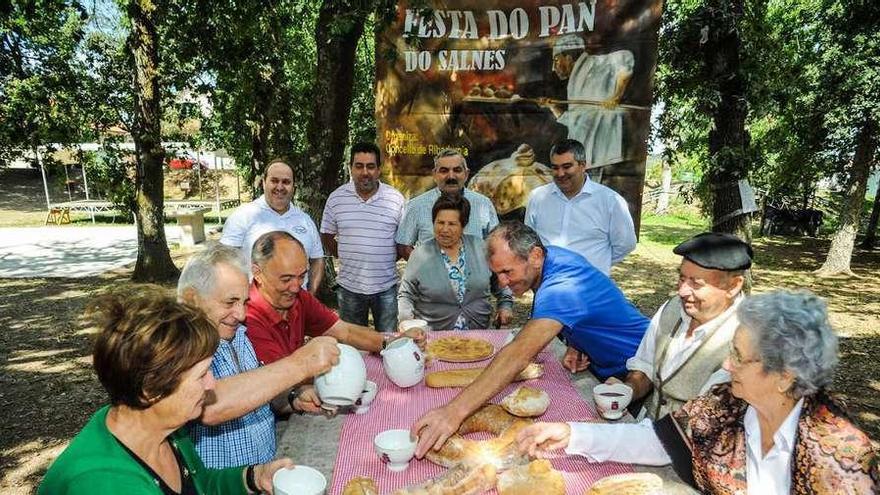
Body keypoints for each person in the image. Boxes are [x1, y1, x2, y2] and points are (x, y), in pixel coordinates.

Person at [517, 291, 879, 495]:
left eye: (739, 355)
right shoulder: (727, 402)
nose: (727, 364)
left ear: (784, 376)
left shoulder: (839, 456)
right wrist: (572, 433)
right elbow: (660, 439)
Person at [411, 221, 649, 458]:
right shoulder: (552, 259)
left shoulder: (561, 286)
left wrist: (453, 412)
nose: (502, 282)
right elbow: (587, 307)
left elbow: (517, 355)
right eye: (497, 274)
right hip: (610, 370)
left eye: (507, 272)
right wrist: (577, 340)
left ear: (535, 255)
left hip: (642, 370)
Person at [38, 288, 293, 495]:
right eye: (201, 375)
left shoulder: (163, 427)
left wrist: (253, 477)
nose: (211, 384)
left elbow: (202, 485)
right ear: (151, 389)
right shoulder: (105, 484)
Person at [177, 244, 340, 469]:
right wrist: (301, 364)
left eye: (244, 302)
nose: (241, 314)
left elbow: (255, 395)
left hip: (261, 477)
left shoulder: (240, 335)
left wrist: (293, 398)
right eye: (230, 302)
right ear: (191, 299)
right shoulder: (179, 347)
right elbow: (210, 406)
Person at [607, 232, 750, 419]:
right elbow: (645, 368)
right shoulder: (673, 307)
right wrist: (627, 390)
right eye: (682, 278)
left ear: (733, 286)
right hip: (647, 431)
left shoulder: (747, 339)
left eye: (696, 284)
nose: (682, 291)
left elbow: (711, 426)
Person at [245, 230, 426, 365]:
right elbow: (279, 380)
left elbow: (345, 331)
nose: (296, 287)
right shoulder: (247, 318)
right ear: (257, 273)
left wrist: (394, 342)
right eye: (286, 279)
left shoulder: (299, 297)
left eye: (301, 276)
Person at [321, 142, 406, 332]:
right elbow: (326, 235)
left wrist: (383, 260)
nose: (365, 172)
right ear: (351, 168)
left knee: (388, 343)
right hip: (349, 289)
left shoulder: (395, 199)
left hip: (386, 288)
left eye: (370, 166)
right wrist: (345, 254)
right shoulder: (336, 199)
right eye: (359, 166)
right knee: (353, 345)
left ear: (379, 169)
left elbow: (403, 242)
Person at [398, 194, 513, 330]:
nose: (445, 229)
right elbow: (406, 294)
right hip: (435, 335)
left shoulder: (481, 248)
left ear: (463, 225)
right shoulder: (420, 254)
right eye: (440, 223)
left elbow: (501, 282)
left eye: (452, 224)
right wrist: (407, 322)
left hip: (477, 333)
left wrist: (505, 305)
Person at [525, 139, 636, 275]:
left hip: (591, 287)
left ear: (582, 165)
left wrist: (597, 263)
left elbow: (626, 244)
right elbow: (530, 241)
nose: (560, 174)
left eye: (567, 167)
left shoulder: (610, 201)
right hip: (548, 285)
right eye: (555, 167)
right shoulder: (537, 198)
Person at [221, 158, 324, 292]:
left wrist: (310, 295)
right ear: (263, 183)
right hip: (255, 307)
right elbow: (224, 261)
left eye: (286, 182)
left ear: (294, 186)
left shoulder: (305, 221)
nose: (280, 187)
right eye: (274, 181)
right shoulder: (242, 216)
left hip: (297, 306)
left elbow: (317, 260)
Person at [542, 35, 634, 168]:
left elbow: (626, 58)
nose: (553, 67)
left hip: (602, 157)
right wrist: (552, 107)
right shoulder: (574, 82)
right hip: (585, 160)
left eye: (556, 60)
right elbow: (576, 122)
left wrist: (616, 96)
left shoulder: (595, 64)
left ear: (569, 58)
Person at [396, 148, 499, 260]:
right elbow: (404, 246)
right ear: (434, 174)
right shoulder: (416, 206)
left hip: (475, 276)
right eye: (444, 171)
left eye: (457, 170)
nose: (451, 176)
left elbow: (495, 243)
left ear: (466, 174)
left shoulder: (483, 204)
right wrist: (425, 269)